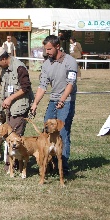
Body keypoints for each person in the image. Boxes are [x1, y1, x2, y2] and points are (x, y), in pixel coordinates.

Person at [31, 35, 78, 175]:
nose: (47, 52)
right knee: (46, 131)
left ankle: (63, 166)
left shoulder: (70, 61)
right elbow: (42, 86)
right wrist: (35, 104)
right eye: (46, 49)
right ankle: (49, 164)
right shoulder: (46, 64)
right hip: (53, 100)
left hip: (67, 100)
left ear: (58, 46)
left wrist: (62, 100)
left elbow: (71, 84)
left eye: (49, 49)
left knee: (62, 132)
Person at [0, 46, 34, 136]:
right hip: (9, 107)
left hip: (19, 108)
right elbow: (1, 81)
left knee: (14, 137)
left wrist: (10, 98)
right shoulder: (5, 68)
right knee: (8, 136)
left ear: (4, 59)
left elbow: (26, 88)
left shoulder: (19, 67)